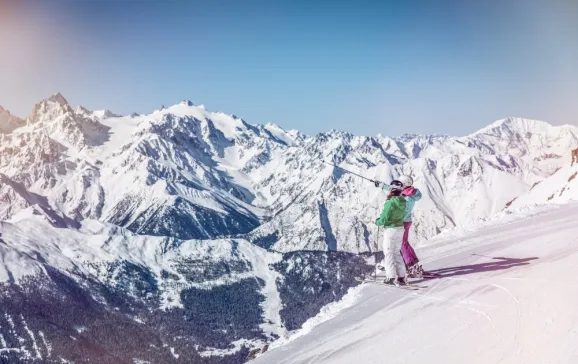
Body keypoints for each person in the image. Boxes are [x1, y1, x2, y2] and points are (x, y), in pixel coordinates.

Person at [376, 175, 424, 278]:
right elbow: (395, 189)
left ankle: (411, 266)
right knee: (402, 243)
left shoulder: (406, 197)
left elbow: (396, 192)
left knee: (401, 243)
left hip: (402, 221)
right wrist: (382, 185)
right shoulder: (411, 193)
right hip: (406, 221)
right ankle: (410, 264)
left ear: (404, 185)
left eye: (400, 184)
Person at [375, 180, 407, 286]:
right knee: (397, 253)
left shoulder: (390, 203)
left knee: (389, 253)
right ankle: (401, 277)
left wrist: (378, 221)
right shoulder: (403, 201)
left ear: (392, 190)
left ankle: (391, 278)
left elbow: (383, 219)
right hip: (400, 229)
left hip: (391, 230)